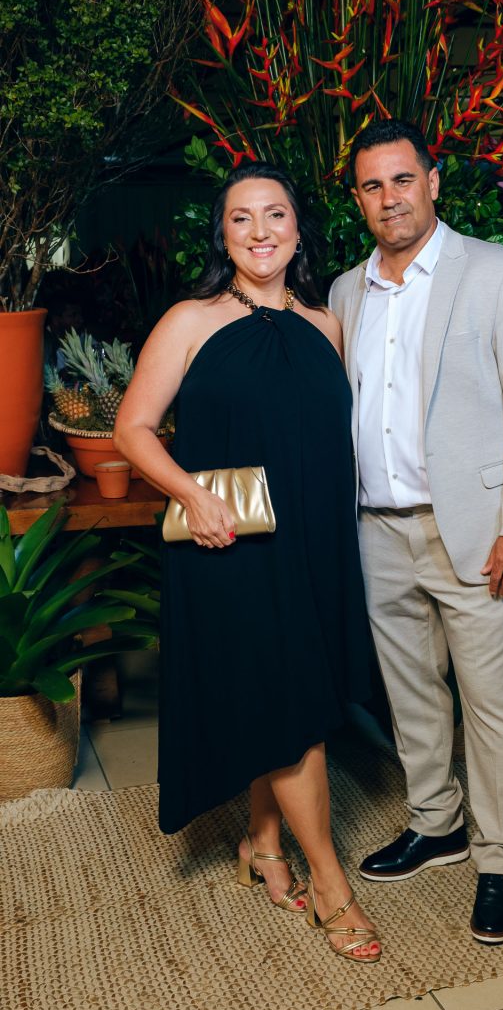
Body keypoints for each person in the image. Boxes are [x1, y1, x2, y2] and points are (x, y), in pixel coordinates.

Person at [114, 161, 381, 963]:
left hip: (315, 540)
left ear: (298, 230)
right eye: (241, 218)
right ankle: (330, 883)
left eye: (275, 215)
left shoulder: (326, 324)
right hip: (229, 541)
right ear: (222, 234)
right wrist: (191, 497)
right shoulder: (190, 320)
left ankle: (263, 843)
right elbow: (132, 428)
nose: (260, 232)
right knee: (291, 702)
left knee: (284, 694)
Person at [329, 120, 503, 945]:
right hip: (377, 529)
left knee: (493, 706)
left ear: (432, 182)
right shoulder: (346, 292)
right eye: (371, 186)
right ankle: (436, 823)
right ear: (357, 200)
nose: (388, 198)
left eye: (402, 179)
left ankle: (500, 859)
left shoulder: (497, 271)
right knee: (411, 693)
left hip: (474, 530)